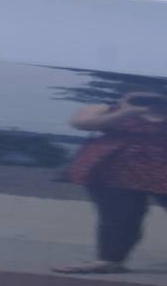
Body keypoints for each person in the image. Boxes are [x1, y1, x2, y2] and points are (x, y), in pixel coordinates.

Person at [54, 93, 167, 274]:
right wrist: (127, 112)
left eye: (154, 97)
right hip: (114, 170)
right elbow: (81, 123)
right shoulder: (105, 109)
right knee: (119, 216)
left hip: (162, 168)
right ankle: (110, 260)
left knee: (119, 216)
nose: (148, 101)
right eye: (141, 96)